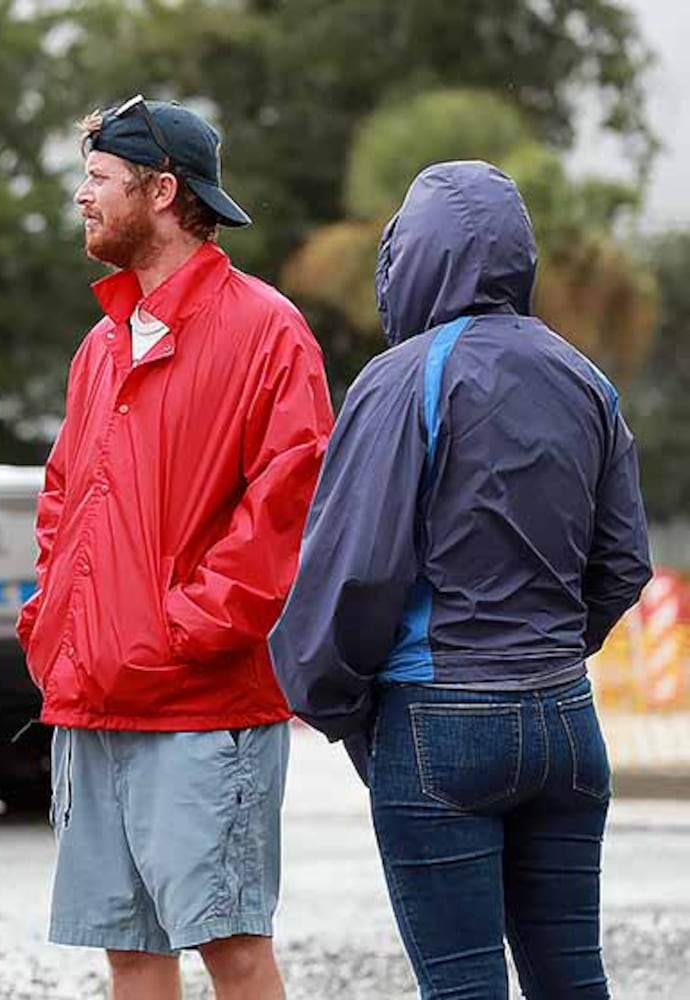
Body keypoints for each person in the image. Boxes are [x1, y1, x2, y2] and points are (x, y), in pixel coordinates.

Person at [269, 160, 652, 999]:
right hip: (565, 719)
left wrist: (335, 703)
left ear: (413, 257)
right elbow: (625, 559)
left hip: (438, 716)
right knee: (574, 979)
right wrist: (550, 646)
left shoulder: (405, 376)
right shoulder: (585, 379)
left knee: (463, 988)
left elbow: (355, 570)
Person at [16, 95, 334, 1000]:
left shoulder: (267, 331)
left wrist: (177, 630)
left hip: (203, 703)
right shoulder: (101, 345)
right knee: (130, 951)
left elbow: (288, 509)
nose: (82, 196)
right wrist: (57, 626)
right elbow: (62, 498)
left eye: (98, 179)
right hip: (92, 697)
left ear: (162, 191)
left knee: (231, 947)